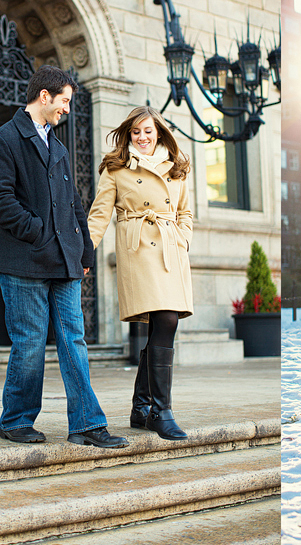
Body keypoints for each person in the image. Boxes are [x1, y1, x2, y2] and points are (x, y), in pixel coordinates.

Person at [0, 65, 127, 449]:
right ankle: (15, 421)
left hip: (65, 263)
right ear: (44, 97)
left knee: (73, 340)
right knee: (29, 343)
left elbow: (75, 203)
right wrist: (40, 234)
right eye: (64, 101)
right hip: (23, 261)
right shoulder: (3, 140)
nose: (66, 109)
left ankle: (87, 424)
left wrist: (85, 250)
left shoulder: (58, 147)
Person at [87, 106, 193, 441]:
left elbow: (185, 211)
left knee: (165, 322)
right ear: (128, 135)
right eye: (135, 132)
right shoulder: (115, 169)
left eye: (148, 131)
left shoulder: (176, 168)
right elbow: (100, 214)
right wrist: (85, 251)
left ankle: (142, 406)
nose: (142, 137)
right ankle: (162, 412)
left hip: (169, 249)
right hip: (139, 249)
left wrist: (182, 239)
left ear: (159, 132)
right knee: (166, 319)